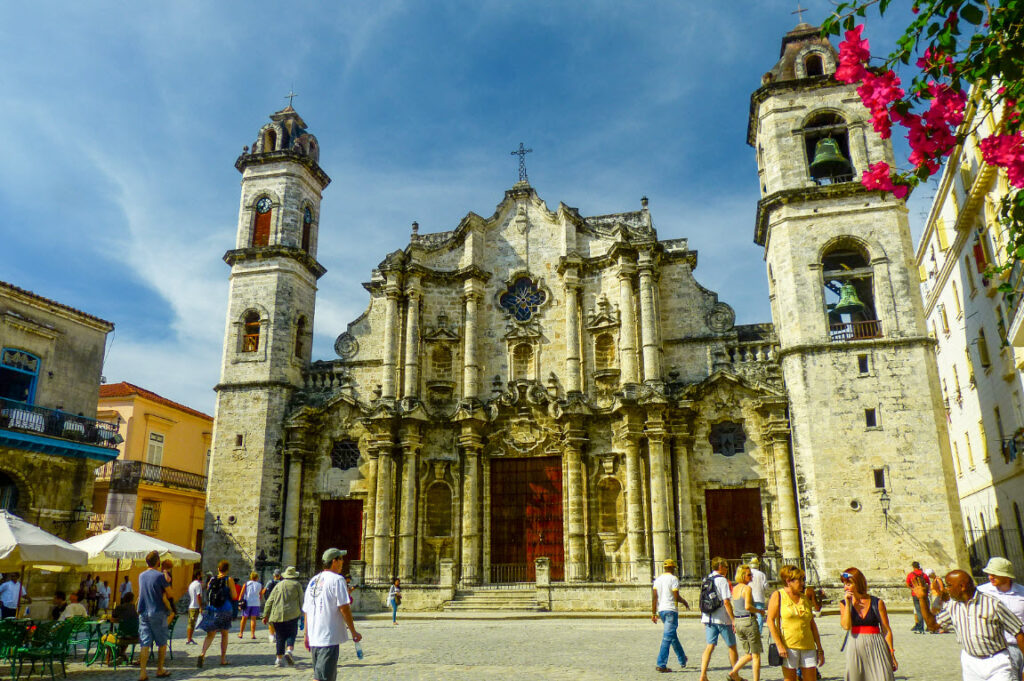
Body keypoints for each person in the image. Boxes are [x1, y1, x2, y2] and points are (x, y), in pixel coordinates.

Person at [914, 569, 1024, 681]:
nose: (947, 589)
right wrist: (922, 599)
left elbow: (1018, 632)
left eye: (949, 585)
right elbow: (932, 626)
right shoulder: (953, 606)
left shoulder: (993, 604)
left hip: (997, 661)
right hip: (970, 662)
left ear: (962, 586)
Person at [303, 548, 362, 681]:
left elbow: (307, 610)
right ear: (334, 561)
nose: (343, 562)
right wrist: (354, 632)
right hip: (327, 637)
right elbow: (344, 608)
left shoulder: (313, 580)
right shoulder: (337, 580)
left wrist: (306, 635)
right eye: (341, 559)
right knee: (323, 678)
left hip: (314, 637)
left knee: (322, 676)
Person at [767, 564, 825, 681]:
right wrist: (779, 645)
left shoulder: (804, 598)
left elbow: (812, 624)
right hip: (789, 646)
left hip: (808, 645)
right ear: (789, 581)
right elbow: (770, 621)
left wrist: (819, 648)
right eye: (800, 580)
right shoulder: (778, 595)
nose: (803, 583)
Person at [838, 567, 896, 681]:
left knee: (882, 677)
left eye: (849, 583)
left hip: (876, 644)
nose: (846, 587)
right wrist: (849, 604)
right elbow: (846, 626)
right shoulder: (844, 603)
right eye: (844, 584)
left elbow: (886, 630)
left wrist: (891, 653)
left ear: (858, 583)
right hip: (855, 645)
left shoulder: (877, 602)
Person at [978, 558, 1024, 681]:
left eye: (995, 574)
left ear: (1007, 576)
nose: (990, 577)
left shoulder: (1022, 593)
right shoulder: (981, 593)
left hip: (1021, 645)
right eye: (989, 574)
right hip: (999, 649)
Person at [699, 557, 738, 681]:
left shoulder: (706, 579)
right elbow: (726, 602)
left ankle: (703, 674)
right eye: (726, 566)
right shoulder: (722, 581)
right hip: (722, 619)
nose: (727, 569)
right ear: (720, 567)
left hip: (708, 618)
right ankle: (735, 674)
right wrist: (733, 620)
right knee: (732, 646)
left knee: (709, 646)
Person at [136, 549, 173, 681]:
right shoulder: (159, 576)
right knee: (162, 642)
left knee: (145, 643)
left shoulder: (141, 576)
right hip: (158, 611)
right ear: (158, 561)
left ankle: (143, 673)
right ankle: (160, 669)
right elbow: (170, 594)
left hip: (143, 611)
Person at [651, 558, 690, 673]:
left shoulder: (657, 580)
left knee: (672, 636)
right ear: (672, 568)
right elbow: (676, 596)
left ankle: (682, 658)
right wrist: (685, 602)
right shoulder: (673, 579)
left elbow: (654, 597)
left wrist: (654, 613)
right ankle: (661, 664)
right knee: (667, 638)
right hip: (671, 610)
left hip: (661, 610)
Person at [197, 560, 236, 668]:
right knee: (224, 634)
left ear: (218, 569)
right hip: (225, 609)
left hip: (212, 609)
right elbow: (234, 596)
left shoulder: (212, 579)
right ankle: (223, 659)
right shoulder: (229, 580)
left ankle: (202, 653)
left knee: (210, 635)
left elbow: (208, 592)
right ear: (227, 570)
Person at [263, 566, 304, 667]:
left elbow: (270, 600)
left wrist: (265, 615)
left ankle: (278, 659)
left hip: (278, 615)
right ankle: (289, 651)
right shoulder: (297, 585)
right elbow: (302, 600)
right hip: (292, 614)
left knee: (280, 637)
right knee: (291, 634)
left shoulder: (279, 585)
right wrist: (303, 614)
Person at [729, 564, 764, 681]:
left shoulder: (734, 589)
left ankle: (733, 672)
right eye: (749, 575)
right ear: (742, 576)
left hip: (738, 621)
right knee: (756, 655)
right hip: (748, 620)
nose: (751, 577)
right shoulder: (747, 588)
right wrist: (759, 611)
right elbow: (748, 606)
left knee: (748, 653)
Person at [103, 593, 140, 665]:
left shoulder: (120, 607)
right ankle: (121, 654)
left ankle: (112, 657)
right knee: (125, 634)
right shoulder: (135, 609)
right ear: (132, 600)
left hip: (123, 636)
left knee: (104, 638)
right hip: (135, 636)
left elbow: (113, 616)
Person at [906, 561, 930, 634]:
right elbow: (928, 584)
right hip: (924, 594)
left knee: (918, 611)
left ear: (913, 567)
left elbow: (907, 584)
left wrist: (913, 589)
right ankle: (929, 626)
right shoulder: (924, 574)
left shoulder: (910, 575)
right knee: (926, 610)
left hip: (915, 594)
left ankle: (920, 627)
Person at [238, 571, 263, 639]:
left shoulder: (246, 584)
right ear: (257, 577)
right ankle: (252, 634)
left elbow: (241, 594)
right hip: (256, 603)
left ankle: (241, 633)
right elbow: (260, 596)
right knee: (253, 619)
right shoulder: (259, 585)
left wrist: (239, 604)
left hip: (247, 602)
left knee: (244, 618)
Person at [262, 569, 283, 643]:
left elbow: (264, 591)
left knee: (271, 620)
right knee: (279, 620)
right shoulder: (283, 582)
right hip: (281, 603)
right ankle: (278, 635)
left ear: (274, 575)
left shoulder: (270, 582)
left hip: (272, 603)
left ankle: (271, 635)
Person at [750, 557, 769, 633]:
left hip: (750, 597)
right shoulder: (761, 574)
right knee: (760, 615)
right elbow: (766, 586)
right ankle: (759, 631)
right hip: (759, 596)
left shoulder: (748, 573)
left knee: (750, 615)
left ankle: (752, 631)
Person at [185, 571, 203, 645]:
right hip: (195, 606)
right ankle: (189, 639)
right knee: (192, 623)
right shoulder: (198, 584)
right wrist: (200, 606)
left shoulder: (191, 584)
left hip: (191, 605)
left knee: (191, 623)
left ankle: (190, 638)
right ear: (198, 576)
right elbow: (198, 596)